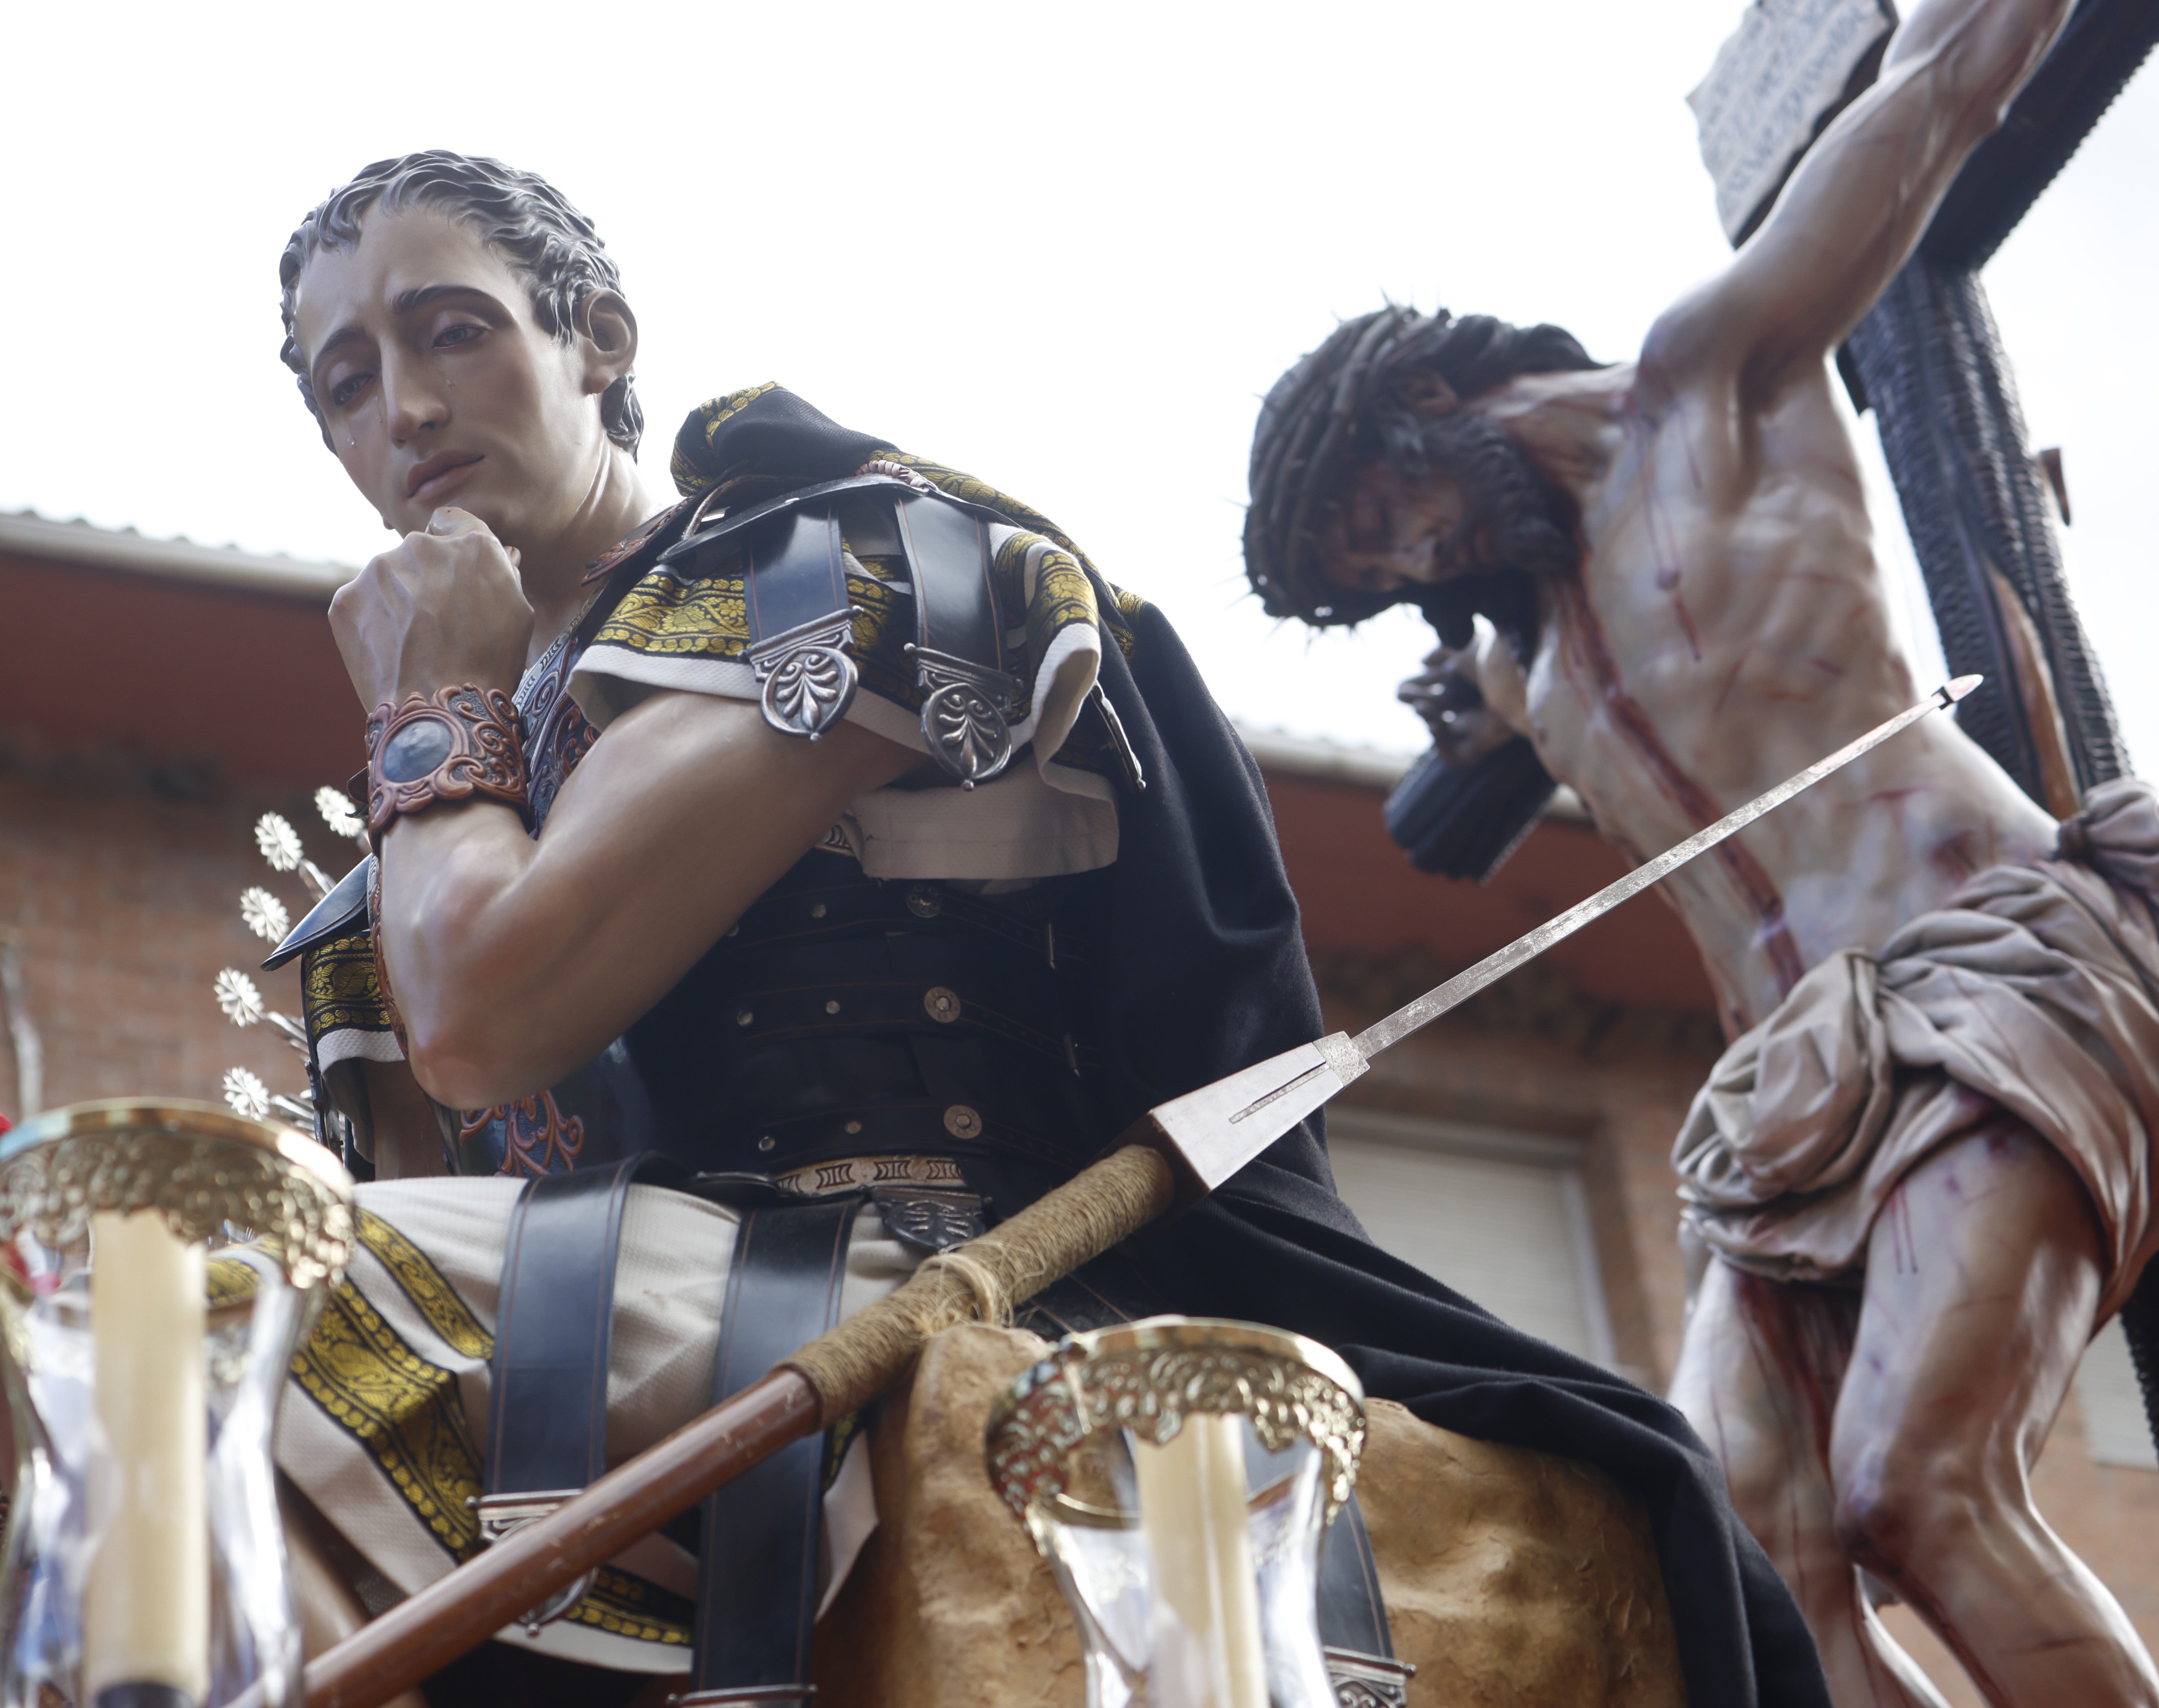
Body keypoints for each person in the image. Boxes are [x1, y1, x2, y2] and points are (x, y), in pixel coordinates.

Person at [270, 150, 1828, 1706]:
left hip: (909, 1271)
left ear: (599, 339)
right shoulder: (427, 842)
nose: (406, 407)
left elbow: (482, 1014)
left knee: (236, 1293)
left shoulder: (820, 565)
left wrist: (432, 703)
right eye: (348, 382)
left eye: (453, 331)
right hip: (589, 1343)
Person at [1239, 0, 2156, 1702]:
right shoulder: (1534, 660)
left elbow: (1937, 87)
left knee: (1915, 1485)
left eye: (1383, 522)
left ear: (1425, 401)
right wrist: (1484, 723)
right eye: (1375, 577)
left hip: (1986, 973)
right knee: (1732, 1563)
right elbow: (1474, 764)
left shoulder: (1715, 382)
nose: (1411, 566)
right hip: (1782, 1106)